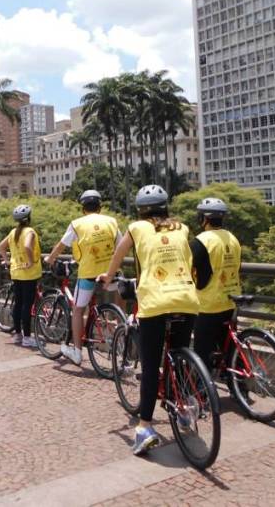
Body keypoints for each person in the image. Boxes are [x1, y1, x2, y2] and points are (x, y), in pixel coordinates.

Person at [98, 184, 200, 456]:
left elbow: (118, 255)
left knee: (152, 363)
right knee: (180, 353)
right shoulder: (182, 227)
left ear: (141, 210)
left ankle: (144, 427)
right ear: (166, 206)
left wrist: (107, 278)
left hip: (155, 301)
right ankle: (184, 408)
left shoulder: (136, 228)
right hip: (187, 298)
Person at [45, 189, 120, 366]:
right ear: (100, 207)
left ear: (83, 208)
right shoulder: (112, 221)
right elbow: (120, 246)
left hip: (88, 273)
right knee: (118, 301)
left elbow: (61, 245)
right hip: (109, 273)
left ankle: (77, 352)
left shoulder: (76, 224)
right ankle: (121, 324)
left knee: (78, 310)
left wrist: (50, 258)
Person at [190, 197, 242, 370]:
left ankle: (203, 391)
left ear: (204, 219)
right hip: (231, 300)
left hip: (208, 304)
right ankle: (239, 386)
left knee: (202, 351)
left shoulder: (201, 241)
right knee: (231, 347)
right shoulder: (233, 238)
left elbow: (188, 269)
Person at [0, 204, 41, 347]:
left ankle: (17, 335)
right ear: (29, 217)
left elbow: (1, 246)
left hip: (15, 271)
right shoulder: (30, 231)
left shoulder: (13, 232)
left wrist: (6, 261)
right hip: (29, 273)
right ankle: (27, 337)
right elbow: (28, 246)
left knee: (18, 304)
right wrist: (29, 261)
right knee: (26, 306)